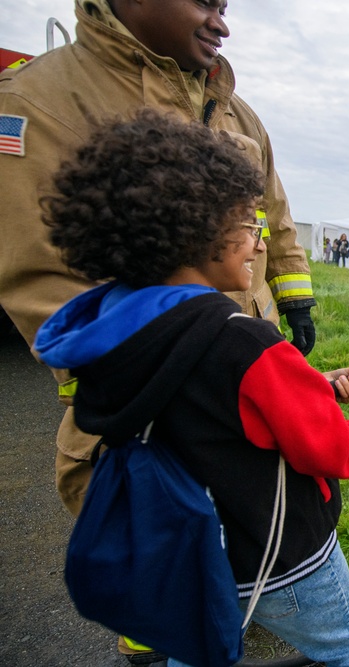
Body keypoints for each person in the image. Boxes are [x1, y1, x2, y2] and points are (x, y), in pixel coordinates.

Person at [34, 110, 349, 667]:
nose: (257, 246)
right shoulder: (245, 343)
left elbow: (207, 406)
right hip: (280, 557)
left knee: (199, 651)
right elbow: (333, 451)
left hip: (189, 550)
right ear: (201, 231)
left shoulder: (123, 328)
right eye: (250, 226)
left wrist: (304, 390)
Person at [0, 0, 317, 522]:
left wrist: (295, 300)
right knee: (178, 578)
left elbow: (274, 213)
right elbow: (41, 276)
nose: (221, 24)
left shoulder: (238, 113)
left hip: (253, 379)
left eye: (223, 7)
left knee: (269, 553)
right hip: (156, 420)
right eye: (203, 3)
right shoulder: (37, 99)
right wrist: (150, 382)